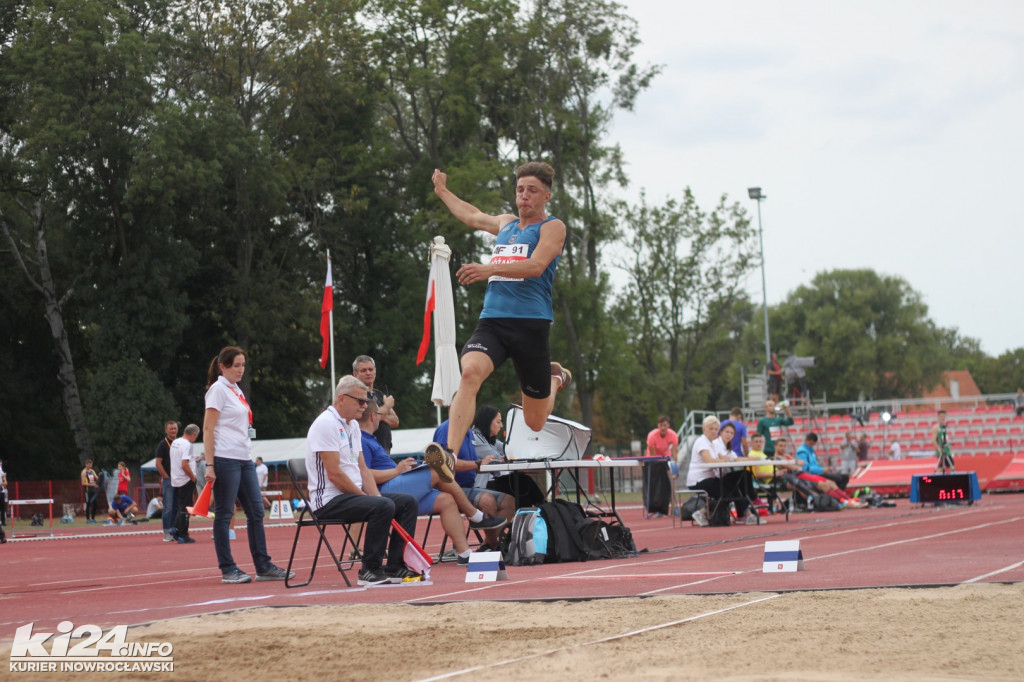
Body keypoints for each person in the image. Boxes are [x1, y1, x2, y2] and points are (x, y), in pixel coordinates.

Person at [426, 163, 571, 480]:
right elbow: (471, 215)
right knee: (469, 373)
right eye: (520, 189)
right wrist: (442, 191)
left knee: (534, 421)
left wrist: (490, 270)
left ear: (546, 195)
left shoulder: (552, 227)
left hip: (530, 325)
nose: (524, 196)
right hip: (493, 321)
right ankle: (449, 455)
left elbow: (535, 266)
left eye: (532, 190)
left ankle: (554, 379)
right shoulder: (506, 225)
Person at [305, 375, 419, 585]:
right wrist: (369, 498)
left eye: (365, 401)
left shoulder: (353, 426)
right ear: (341, 399)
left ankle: (395, 565)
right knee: (382, 505)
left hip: (350, 495)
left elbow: (363, 469)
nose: (364, 406)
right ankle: (370, 570)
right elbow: (335, 474)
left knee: (407, 503)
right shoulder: (325, 424)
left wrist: (374, 496)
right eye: (360, 401)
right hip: (328, 500)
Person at [359, 400, 503, 565]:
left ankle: (464, 553)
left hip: (398, 483)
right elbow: (364, 475)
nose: (381, 419)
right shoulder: (362, 440)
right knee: (437, 471)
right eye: (380, 415)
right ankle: (475, 515)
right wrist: (397, 470)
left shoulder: (370, 438)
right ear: (372, 417)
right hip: (383, 491)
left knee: (446, 500)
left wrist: (407, 467)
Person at [202, 346, 293, 584]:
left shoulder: (235, 390)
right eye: (236, 365)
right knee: (224, 513)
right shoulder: (218, 390)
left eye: (243, 365)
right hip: (225, 458)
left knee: (256, 511)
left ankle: (263, 566)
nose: (241, 370)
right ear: (223, 367)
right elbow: (208, 428)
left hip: (244, 459)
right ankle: (228, 568)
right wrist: (209, 464)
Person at [432, 417, 513, 549]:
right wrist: (478, 464)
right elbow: (444, 463)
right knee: (487, 500)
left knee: (509, 501)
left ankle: (488, 543)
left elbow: (472, 467)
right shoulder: (446, 429)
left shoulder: (469, 432)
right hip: (451, 488)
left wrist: (489, 465)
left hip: (469, 486)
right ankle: (493, 546)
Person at [685, 416, 758, 525]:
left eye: (715, 429)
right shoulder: (702, 442)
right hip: (699, 480)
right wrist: (725, 459)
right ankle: (702, 512)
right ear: (704, 429)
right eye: (711, 428)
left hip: (710, 477)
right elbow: (710, 461)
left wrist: (726, 459)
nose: (713, 431)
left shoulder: (711, 444)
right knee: (729, 492)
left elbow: (721, 458)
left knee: (739, 479)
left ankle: (746, 511)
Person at [472, 405, 546, 509]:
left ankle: (538, 513)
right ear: (487, 422)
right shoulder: (476, 437)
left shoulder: (489, 439)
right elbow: (498, 455)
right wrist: (506, 455)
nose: (501, 425)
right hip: (481, 486)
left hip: (492, 481)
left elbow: (508, 450)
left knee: (523, 483)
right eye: (498, 422)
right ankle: (544, 511)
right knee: (522, 483)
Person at [352, 355, 399, 453]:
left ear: (375, 371)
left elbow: (395, 421)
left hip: (385, 449)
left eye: (370, 369)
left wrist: (378, 414)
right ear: (355, 374)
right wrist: (386, 407)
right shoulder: (356, 395)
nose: (368, 373)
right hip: (367, 448)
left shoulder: (380, 394)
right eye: (363, 370)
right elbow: (368, 419)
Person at [171, 424, 201, 544]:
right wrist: (193, 477)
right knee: (186, 507)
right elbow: (184, 464)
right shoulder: (188, 445)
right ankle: (183, 534)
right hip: (185, 479)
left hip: (176, 479)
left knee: (180, 506)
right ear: (193, 434)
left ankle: (176, 528)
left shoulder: (175, 442)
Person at [154, 421, 178, 543]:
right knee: (168, 506)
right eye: (171, 429)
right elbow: (158, 463)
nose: (173, 431)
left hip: (179, 480)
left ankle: (175, 530)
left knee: (176, 506)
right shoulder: (163, 444)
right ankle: (167, 531)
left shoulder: (180, 443)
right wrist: (166, 476)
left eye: (175, 428)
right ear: (166, 431)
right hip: (169, 480)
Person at [932, 409, 955, 474]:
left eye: (944, 416)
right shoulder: (936, 427)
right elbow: (934, 440)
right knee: (940, 470)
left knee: (952, 468)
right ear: (938, 416)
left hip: (947, 451)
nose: (943, 418)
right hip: (940, 452)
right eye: (941, 416)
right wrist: (939, 449)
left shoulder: (944, 427)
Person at [80, 459, 100, 524]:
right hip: (88, 490)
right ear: (86, 464)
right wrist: (92, 484)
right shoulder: (84, 472)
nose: (90, 465)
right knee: (88, 504)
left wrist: (101, 477)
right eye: (89, 464)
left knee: (95, 504)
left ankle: (93, 518)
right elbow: (83, 483)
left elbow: (97, 478)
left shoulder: (92, 471)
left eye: (91, 464)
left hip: (93, 490)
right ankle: (88, 519)